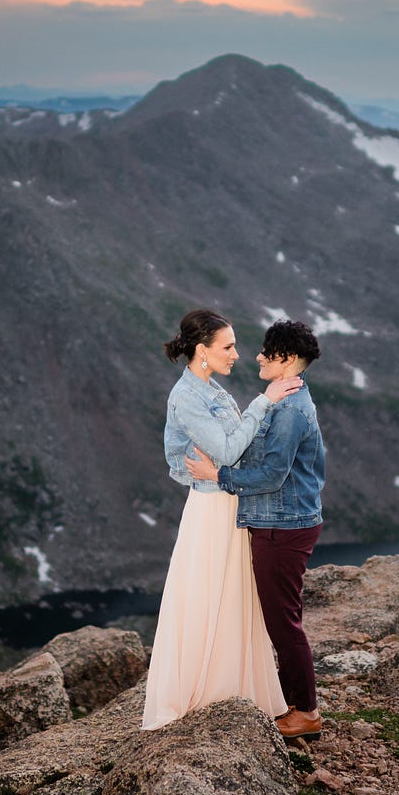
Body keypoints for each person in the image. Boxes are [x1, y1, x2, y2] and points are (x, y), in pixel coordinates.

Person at [141, 309, 305, 730]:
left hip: (231, 504)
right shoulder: (187, 398)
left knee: (233, 600)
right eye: (228, 346)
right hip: (212, 510)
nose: (237, 354)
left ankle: (235, 689)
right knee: (206, 598)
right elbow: (228, 450)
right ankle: (202, 691)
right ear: (202, 351)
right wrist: (265, 401)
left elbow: (236, 449)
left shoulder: (209, 389)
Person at [186, 319, 326, 741]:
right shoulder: (286, 400)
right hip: (281, 522)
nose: (259, 356)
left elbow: (271, 475)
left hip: (283, 526)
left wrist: (219, 474)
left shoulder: (289, 411)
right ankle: (291, 700)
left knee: (283, 621)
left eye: (267, 351)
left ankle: (306, 713)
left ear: (284, 359)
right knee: (281, 616)